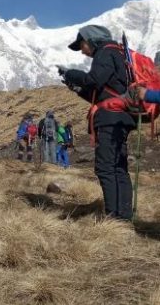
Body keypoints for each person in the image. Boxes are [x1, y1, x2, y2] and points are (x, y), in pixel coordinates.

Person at [58, 25, 136, 221]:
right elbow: (103, 93)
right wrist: (76, 88)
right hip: (119, 117)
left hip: (110, 119)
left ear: (91, 40)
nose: (83, 51)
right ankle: (123, 217)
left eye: (82, 44)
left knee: (106, 168)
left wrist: (71, 74)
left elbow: (93, 80)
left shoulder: (105, 52)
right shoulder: (118, 55)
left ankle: (113, 218)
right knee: (118, 167)